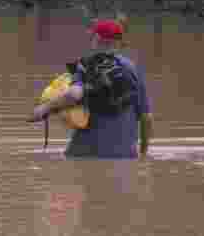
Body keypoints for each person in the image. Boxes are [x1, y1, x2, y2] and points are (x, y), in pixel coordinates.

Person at [29, 17, 154, 159]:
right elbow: (146, 118)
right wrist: (143, 153)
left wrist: (44, 108)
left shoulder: (85, 67)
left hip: (85, 152)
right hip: (125, 155)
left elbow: (73, 95)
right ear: (119, 43)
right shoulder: (134, 70)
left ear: (96, 39)